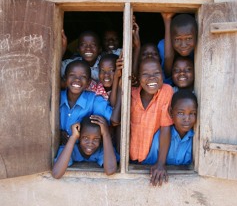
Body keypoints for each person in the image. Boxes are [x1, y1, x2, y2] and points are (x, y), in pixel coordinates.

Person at [129, 58, 173, 186]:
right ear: (138, 77)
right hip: (130, 159)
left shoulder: (166, 91)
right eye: (145, 74)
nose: (151, 78)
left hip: (153, 159)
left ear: (163, 75)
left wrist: (160, 163)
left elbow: (165, 127)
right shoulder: (131, 94)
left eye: (156, 73)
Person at [60, 59, 121, 144]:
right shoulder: (57, 98)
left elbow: (114, 120)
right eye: (72, 75)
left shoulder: (93, 100)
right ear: (65, 78)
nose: (77, 79)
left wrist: (120, 86)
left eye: (83, 76)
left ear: (88, 82)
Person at [52, 115, 119, 178]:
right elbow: (56, 173)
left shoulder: (102, 151)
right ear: (79, 136)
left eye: (96, 139)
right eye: (86, 138)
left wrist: (105, 134)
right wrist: (73, 137)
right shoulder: (70, 150)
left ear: (101, 139)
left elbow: (110, 170)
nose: (90, 143)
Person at [158, 13, 198, 81]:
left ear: (197, 34)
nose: (183, 45)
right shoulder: (162, 46)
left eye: (188, 38)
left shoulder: (201, 47)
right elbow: (168, 60)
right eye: (177, 39)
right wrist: (167, 21)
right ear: (170, 38)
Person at [167, 90, 198, 165]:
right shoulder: (160, 137)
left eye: (192, 113)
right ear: (171, 112)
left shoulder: (197, 139)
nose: (187, 119)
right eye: (181, 113)